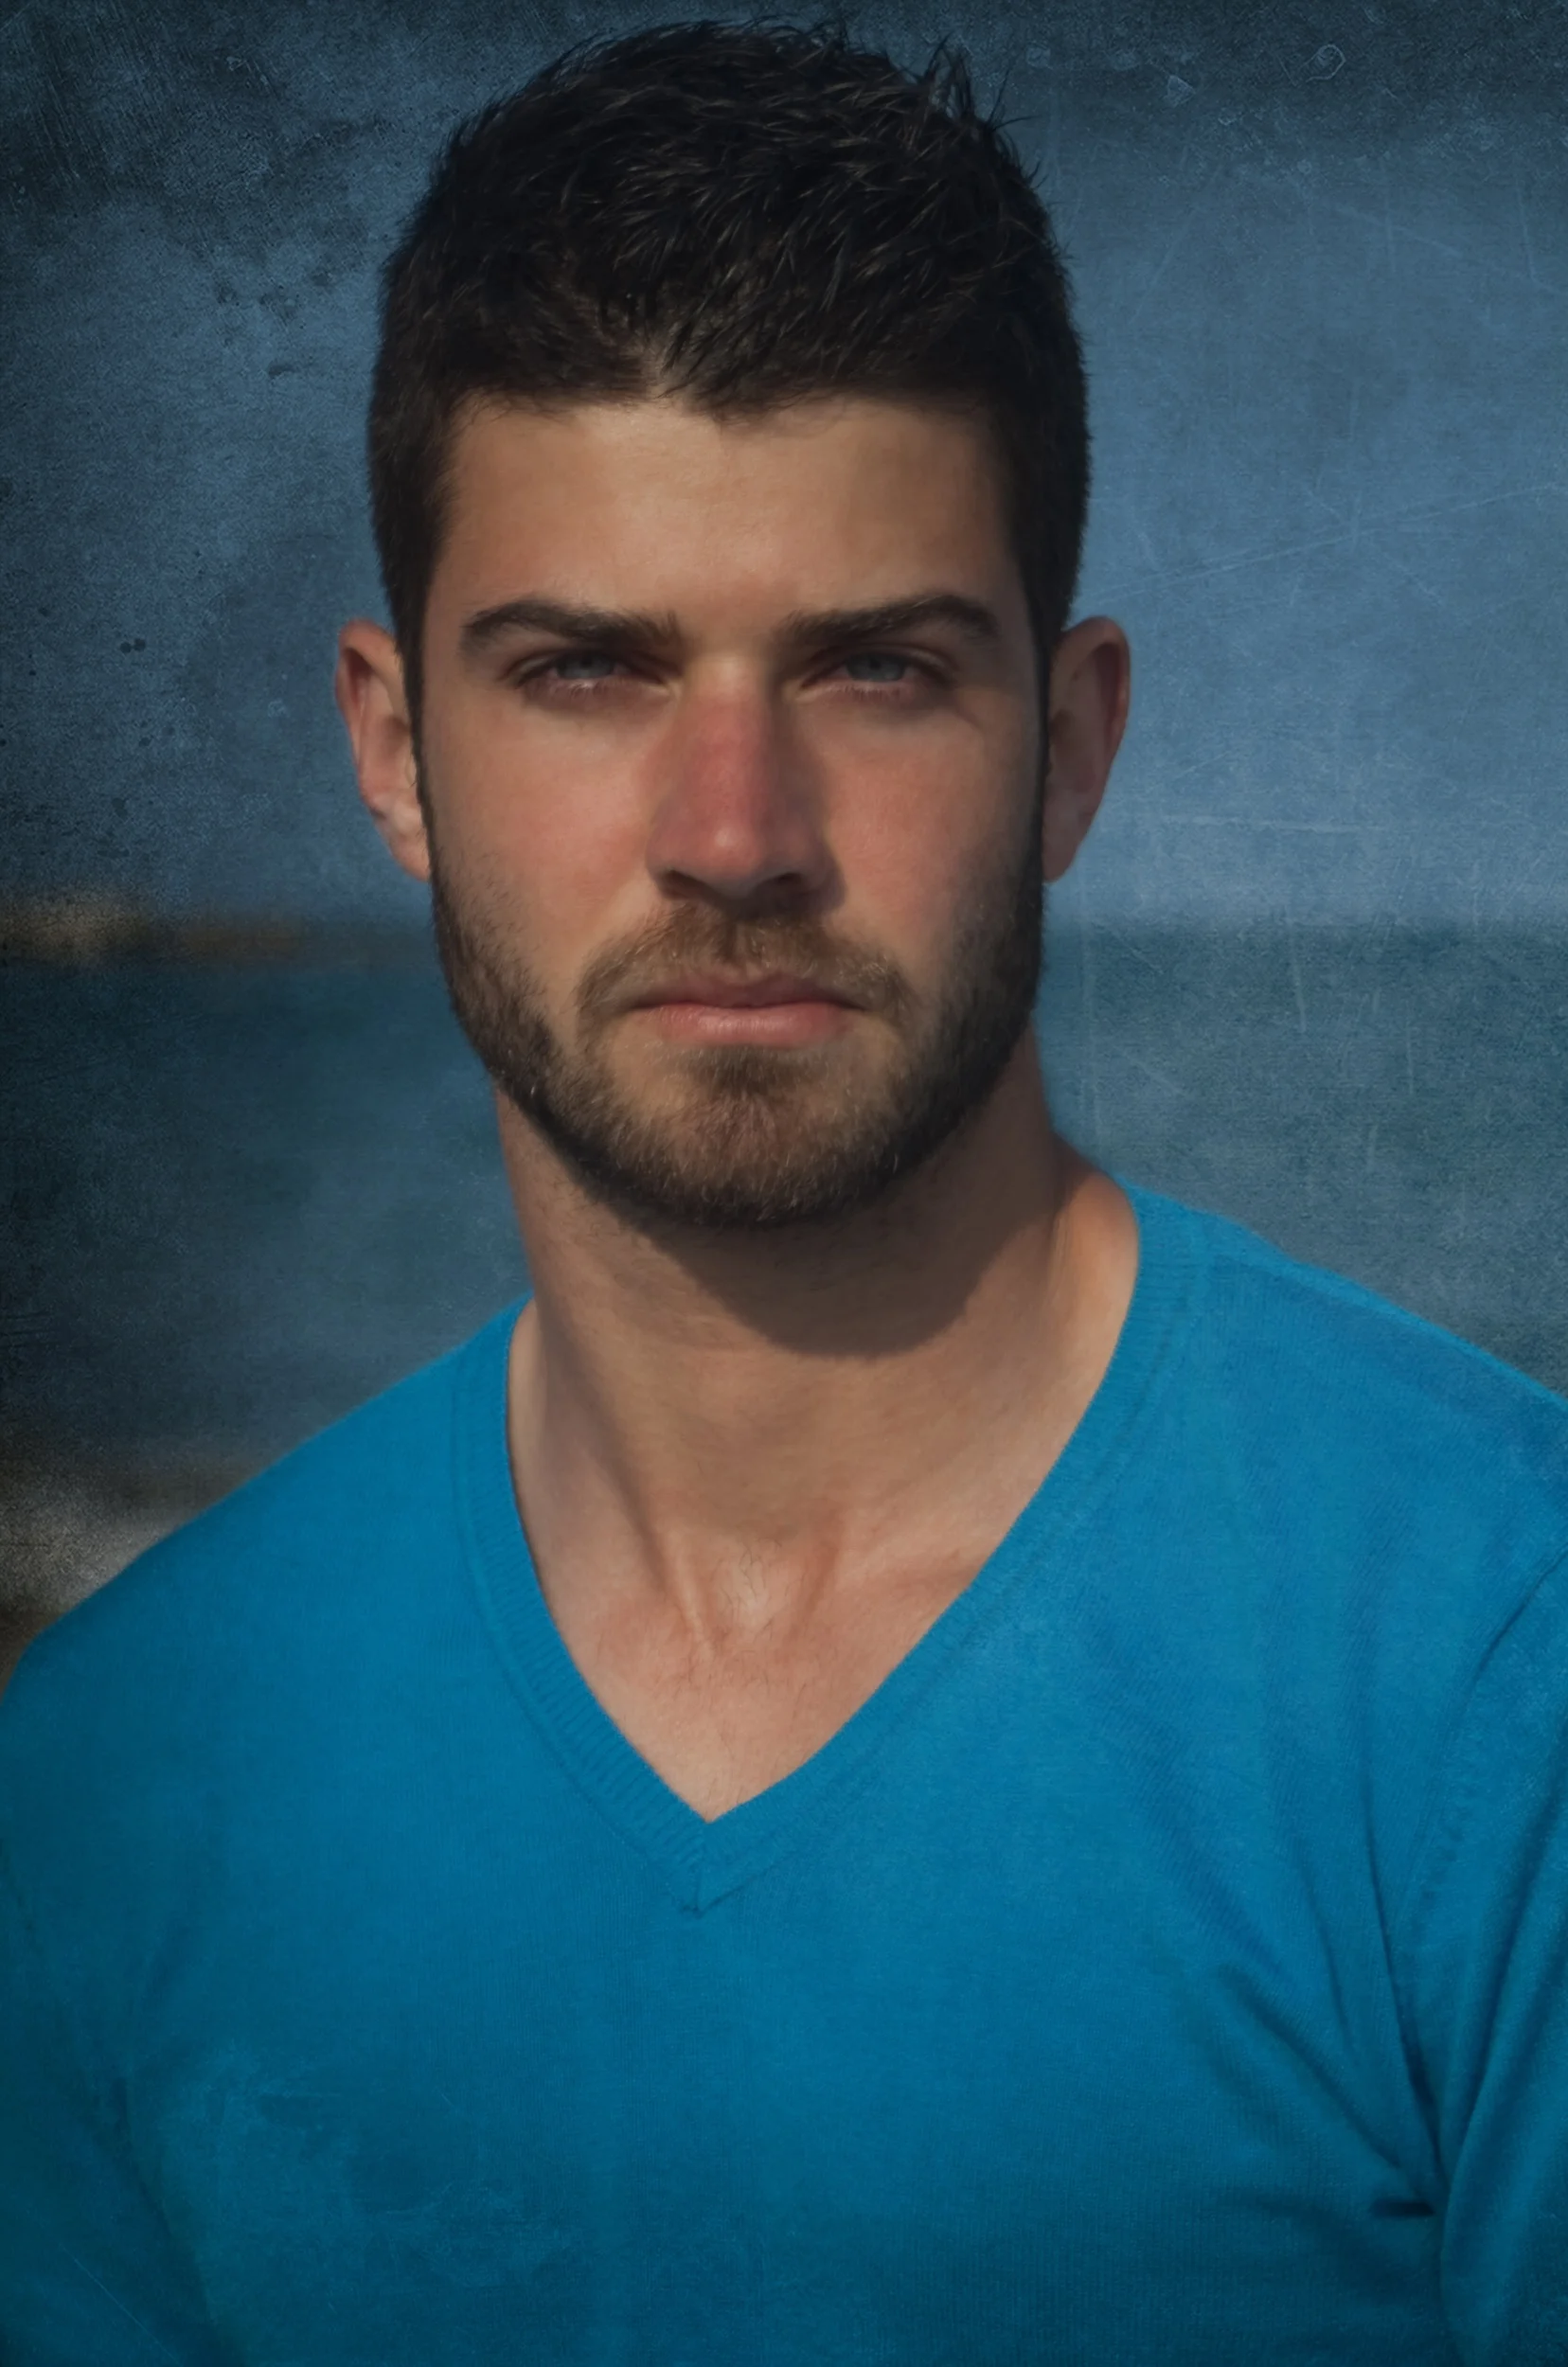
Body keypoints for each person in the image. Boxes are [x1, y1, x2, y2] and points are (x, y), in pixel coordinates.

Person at [2, 20, 1564, 2363]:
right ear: (389, 745)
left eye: (874, 666)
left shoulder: (1498, 1680)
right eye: (588, 670)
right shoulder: (114, 1779)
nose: (736, 831)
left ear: (1074, 740)